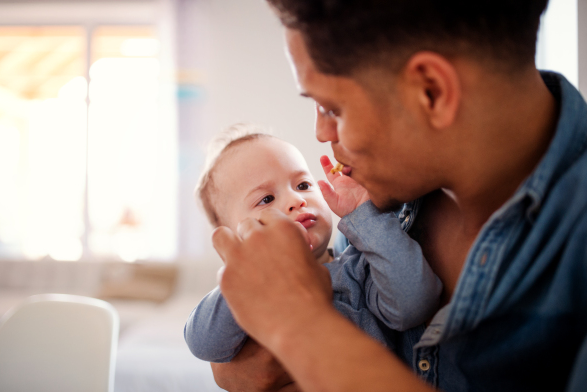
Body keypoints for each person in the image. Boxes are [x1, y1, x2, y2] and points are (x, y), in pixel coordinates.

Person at [210, 1, 587, 391]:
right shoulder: (382, 201)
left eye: (331, 107)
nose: (322, 133)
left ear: (431, 92)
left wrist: (303, 332)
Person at [185, 124, 442, 364]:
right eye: (266, 199)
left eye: (303, 184)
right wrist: (245, 270)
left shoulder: (359, 268)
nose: (296, 199)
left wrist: (365, 215)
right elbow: (203, 343)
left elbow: (414, 303)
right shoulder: (249, 292)